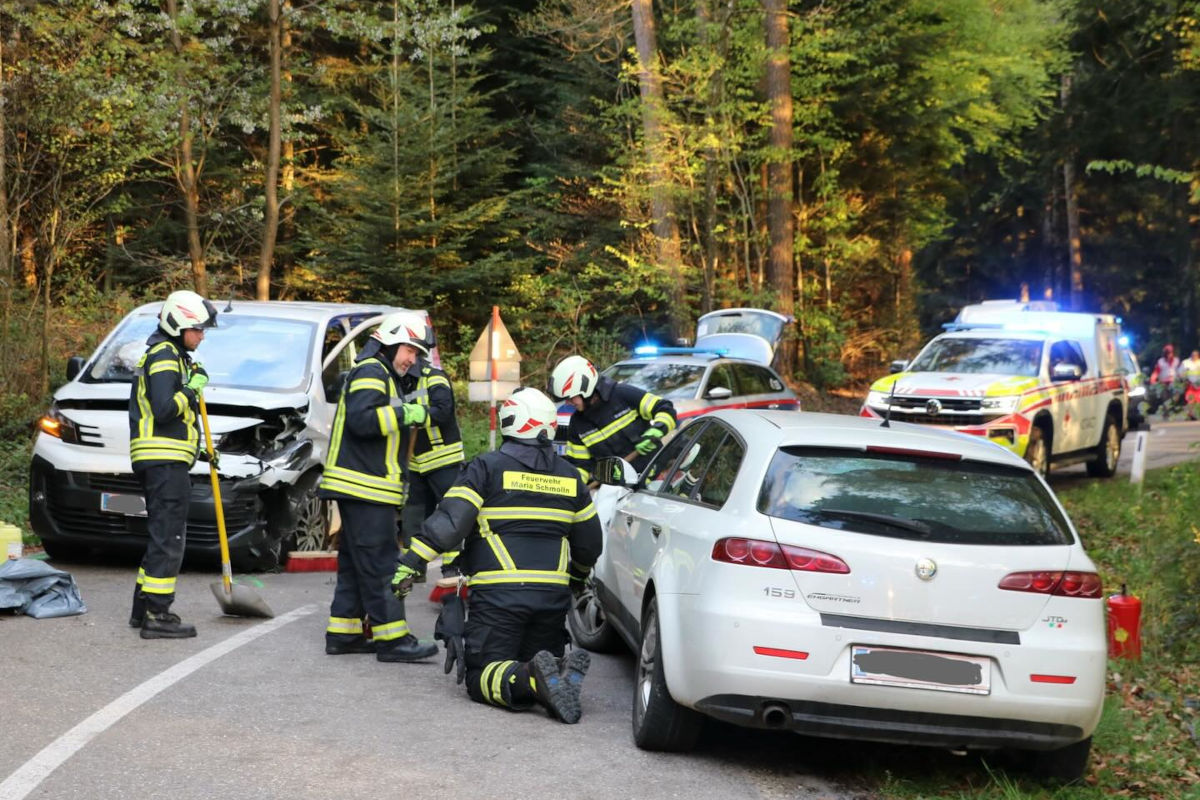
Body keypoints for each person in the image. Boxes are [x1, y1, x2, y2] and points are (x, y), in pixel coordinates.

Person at [391, 388, 602, 723]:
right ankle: (550, 673)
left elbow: (451, 522)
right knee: (533, 657)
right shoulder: (570, 478)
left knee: (481, 675)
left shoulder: (486, 468)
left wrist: (410, 562)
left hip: (500, 597)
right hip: (551, 600)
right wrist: (574, 580)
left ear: (510, 423)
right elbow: (590, 545)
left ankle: (534, 678)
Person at [318, 312, 438, 663]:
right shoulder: (372, 371)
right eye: (410, 352)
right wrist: (406, 415)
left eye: (416, 355)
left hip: (361, 488)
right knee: (385, 563)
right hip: (365, 488)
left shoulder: (380, 373)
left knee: (356, 564)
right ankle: (393, 639)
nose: (412, 360)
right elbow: (362, 419)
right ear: (391, 343)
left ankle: (344, 634)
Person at [128, 289, 218, 639]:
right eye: (197, 329)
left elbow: (174, 420)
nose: (202, 335)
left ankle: (141, 608)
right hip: (163, 460)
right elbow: (166, 410)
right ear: (178, 325)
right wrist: (193, 390)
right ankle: (158, 615)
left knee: (160, 535)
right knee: (170, 537)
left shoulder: (172, 355)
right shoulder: (166, 356)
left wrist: (200, 451)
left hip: (163, 459)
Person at [397, 328, 466, 579]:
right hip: (415, 463)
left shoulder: (434, 376)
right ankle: (413, 568)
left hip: (443, 460)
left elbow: (444, 409)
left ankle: (452, 568)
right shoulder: (398, 380)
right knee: (413, 517)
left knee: (451, 514)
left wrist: (418, 414)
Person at [548, 354, 678, 483]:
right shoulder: (577, 424)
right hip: (623, 490)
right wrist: (574, 488)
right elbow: (581, 466)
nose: (568, 403)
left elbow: (665, 408)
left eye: (570, 398)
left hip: (661, 477)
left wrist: (657, 429)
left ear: (585, 389)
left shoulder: (622, 395)